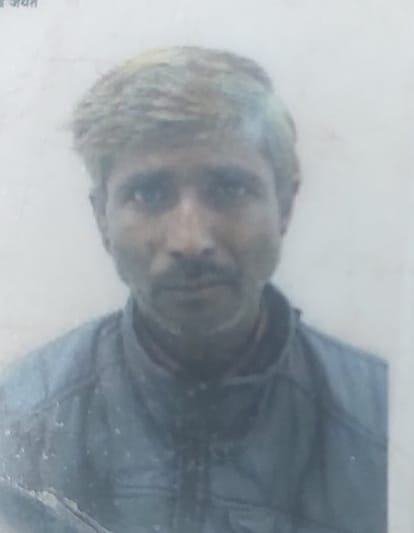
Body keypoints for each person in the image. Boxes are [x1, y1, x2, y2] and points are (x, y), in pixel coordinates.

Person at [0, 47, 387, 533]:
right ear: (102, 217)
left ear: (285, 204)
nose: (190, 240)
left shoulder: (384, 419)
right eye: (149, 193)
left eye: (228, 188)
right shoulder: (19, 424)